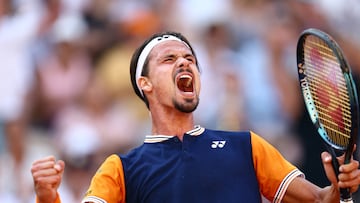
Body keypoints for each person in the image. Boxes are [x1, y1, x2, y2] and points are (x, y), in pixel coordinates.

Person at [31, 31, 360, 203]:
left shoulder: (246, 146)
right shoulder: (121, 169)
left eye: (190, 58)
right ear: (144, 84)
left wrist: (338, 190)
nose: (184, 63)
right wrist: (48, 199)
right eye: (169, 59)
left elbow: (318, 200)